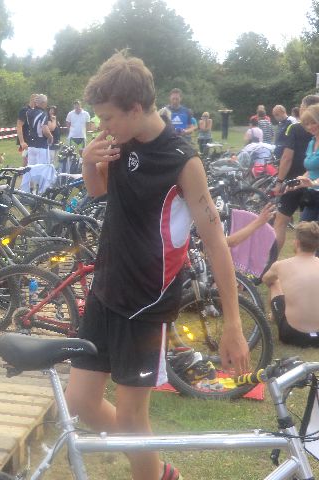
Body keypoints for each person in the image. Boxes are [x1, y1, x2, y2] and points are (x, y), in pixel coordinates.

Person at [65, 52, 249, 480]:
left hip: (147, 300)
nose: (102, 126)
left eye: (108, 117)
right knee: (81, 402)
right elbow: (101, 193)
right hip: (106, 287)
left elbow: (216, 242)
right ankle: (158, 469)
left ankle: (151, 472)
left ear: (135, 108)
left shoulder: (182, 160)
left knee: (133, 419)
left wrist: (234, 324)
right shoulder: (121, 141)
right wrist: (89, 161)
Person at [272, 95, 319, 255]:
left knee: (284, 224)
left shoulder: (294, 129)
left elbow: (287, 157)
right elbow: (310, 168)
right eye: (307, 124)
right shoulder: (312, 141)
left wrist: (313, 183)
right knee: (305, 234)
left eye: (313, 122)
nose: (310, 127)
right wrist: (298, 182)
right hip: (310, 193)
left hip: (312, 188)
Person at [263, 221, 319, 346]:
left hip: (293, 334)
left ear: (297, 243)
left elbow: (266, 279)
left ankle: (273, 316)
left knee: (274, 282)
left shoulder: (281, 265)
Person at [26, 94, 52, 166]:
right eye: (46, 102)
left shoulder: (28, 112)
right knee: (43, 168)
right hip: (41, 144)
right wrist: (50, 137)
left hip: (31, 145)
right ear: (43, 103)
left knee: (31, 167)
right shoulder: (43, 114)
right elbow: (45, 130)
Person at [16, 94, 35, 166]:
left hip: (33, 139)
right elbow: (19, 126)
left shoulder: (35, 111)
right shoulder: (24, 110)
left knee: (31, 161)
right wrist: (22, 142)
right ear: (32, 100)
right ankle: (24, 172)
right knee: (26, 159)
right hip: (26, 140)